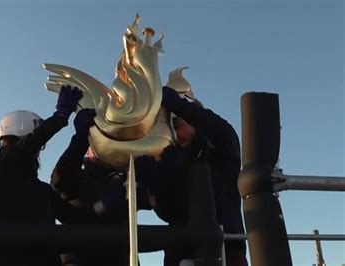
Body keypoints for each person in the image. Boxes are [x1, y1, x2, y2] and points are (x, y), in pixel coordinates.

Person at [0, 85, 101, 266]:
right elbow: (24, 148)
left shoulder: (42, 192)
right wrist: (60, 117)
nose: (37, 153)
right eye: (37, 148)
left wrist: (111, 202)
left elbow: (75, 217)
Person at [135, 86, 247, 266]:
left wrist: (181, 106)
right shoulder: (172, 161)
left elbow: (219, 129)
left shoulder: (221, 150)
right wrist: (153, 183)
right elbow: (169, 213)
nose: (175, 134)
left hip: (227, 250)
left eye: (178, 125)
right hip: (180, 253)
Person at [50, 108, 151, 266]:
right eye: (98, 139)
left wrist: (152, 174)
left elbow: (157, 202)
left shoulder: (126, 179)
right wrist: (80, 139)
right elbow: (60, 180)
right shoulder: (77, 178)